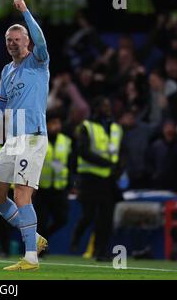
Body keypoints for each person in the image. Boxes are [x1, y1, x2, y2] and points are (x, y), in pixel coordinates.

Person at [0, 0, 49, 271]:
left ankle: (30, 257)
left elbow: (41, 39)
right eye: (8, 40)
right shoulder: (7, 70)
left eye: (17, 39)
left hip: (32, 137)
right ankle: (35, 236)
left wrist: (25, 12)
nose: (12, 43)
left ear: (27, 41)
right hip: (12, 140)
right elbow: (0, 103)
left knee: (21, 195)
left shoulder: (38, 61)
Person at [70, 96, 124, 261]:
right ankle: (77, 236)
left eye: (108, 105)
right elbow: (83, 152)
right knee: (89, 215)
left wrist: (119, 167)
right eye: (103, 105)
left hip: (108, 180)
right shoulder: (87, 127)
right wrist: (106, 163)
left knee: (106, 217)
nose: (107, 108)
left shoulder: (116, 128)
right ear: (96, 108)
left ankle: (101, 252)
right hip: (90, 178)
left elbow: (122, 152)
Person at [34, 111, 72, 244]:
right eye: (53, 123)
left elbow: (70, 164)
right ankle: (39, 249)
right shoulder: (38, 140)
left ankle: (44, 240)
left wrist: (70, 184)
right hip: (41, 188)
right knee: (41, 220)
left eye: (58, 123)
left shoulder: (66, 141)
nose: (57, 126)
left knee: (62, 219)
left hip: (59, 188)